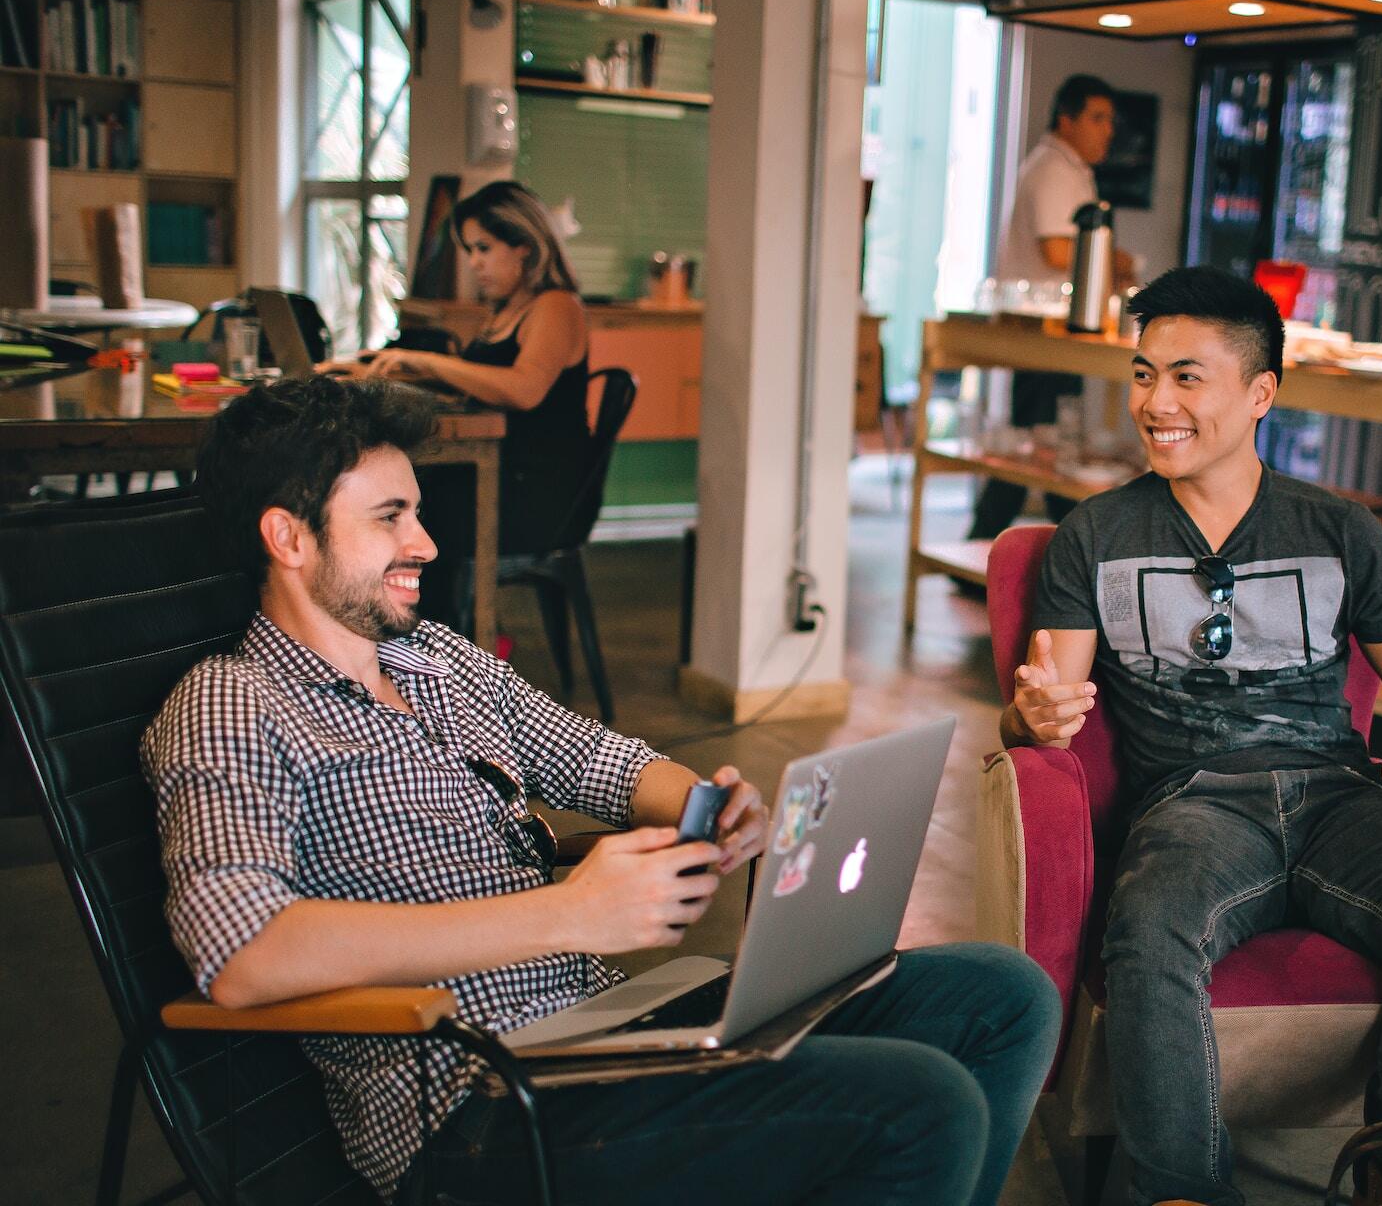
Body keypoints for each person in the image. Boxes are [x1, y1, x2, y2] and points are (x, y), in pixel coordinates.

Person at [142, 375, 1061, 1205]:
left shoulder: (437, 662)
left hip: (603, 1035)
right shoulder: (232, 703)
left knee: (1003, 996)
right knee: (919, 1106)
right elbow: (242, 953)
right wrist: (568, 917)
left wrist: (707, 808)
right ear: (288, 536)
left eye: (416, 511)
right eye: (389, 517)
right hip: (476, 1109)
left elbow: (604, 762)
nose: (424, 541)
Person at [1003, 267, 1382, 1206]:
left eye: (1187, 378)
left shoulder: (1341, 531)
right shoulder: (1096, 534)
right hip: (1193, 804)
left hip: (1341, 796)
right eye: (1144, 374)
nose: (1156, 404)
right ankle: (1180, 1194)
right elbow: (1047, 699)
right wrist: (1031, 716)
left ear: (1261, 392)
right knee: (1150, 929)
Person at [338, 181, 593, 622]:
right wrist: (387, 370)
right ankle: (400, 637)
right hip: (500, 472)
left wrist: (427, 362)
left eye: (483, 248)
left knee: (409, 512)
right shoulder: (507, 308)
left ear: (525, 249)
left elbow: (523, 388)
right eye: (469, 250)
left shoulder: (556, 306)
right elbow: (477, 386)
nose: (474, 263)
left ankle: (428, 646)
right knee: (399, 499)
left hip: (535, 492)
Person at [968, 74, 1137, 544]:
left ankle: (1058, 547)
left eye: (1111, 121)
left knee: (1048, 444)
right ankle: (993, 547)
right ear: (1067, 119)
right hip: (1044, 331)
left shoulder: (1069, 168)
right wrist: (1117, 259)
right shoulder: (1053, 169)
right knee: (1041, 446)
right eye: (1097, 118)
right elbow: (1059, 252)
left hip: (1059, 331)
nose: (1107, 131)